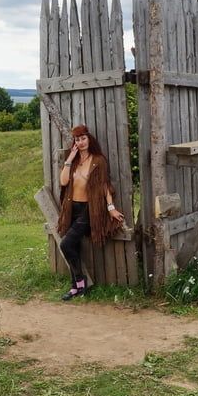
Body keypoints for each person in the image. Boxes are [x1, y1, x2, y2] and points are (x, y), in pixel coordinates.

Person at [57, 124, 125, 300]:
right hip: (72, 208)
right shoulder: (73, 161)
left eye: (83, 138)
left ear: (89, 139)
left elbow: (104, 185)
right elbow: (64, 182)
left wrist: (111, 208)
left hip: (88, 209)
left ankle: (80, 281)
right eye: (77, 140)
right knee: (74, 246)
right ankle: (75, 287)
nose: (81, 142)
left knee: (65, 244)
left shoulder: (98, 160)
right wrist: (70, 157)